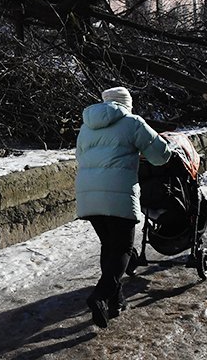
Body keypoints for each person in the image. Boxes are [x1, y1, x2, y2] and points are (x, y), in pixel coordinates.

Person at [74, 86, 172, 328]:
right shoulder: (132, 122)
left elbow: (80, 158)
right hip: (118, 193)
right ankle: (100, 296)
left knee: (109, 246)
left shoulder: (87, 127)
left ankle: (116, 301)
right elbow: (161, 155)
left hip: (88, 195)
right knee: (123, 248)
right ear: (127, 103)